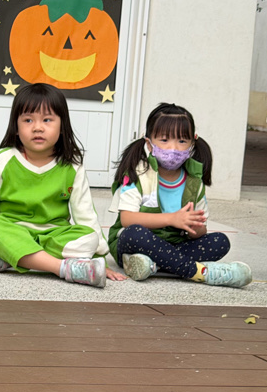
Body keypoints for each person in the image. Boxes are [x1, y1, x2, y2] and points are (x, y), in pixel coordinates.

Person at [0, 83, 124, 288]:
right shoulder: (3, 159)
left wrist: (99, 258)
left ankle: (5, 258)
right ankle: (61, 267)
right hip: (12, 230)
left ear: (62, 126)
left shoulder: (72, 166)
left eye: (47, 120)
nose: (37, 127)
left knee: (89, 237)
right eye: (28, 120)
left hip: (53, 235)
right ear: (16, 127)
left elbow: (85, 214)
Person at [107, 103, 252, 287]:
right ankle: (199, 272)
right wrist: (172, 219)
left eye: (182, 141)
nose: (173, 148)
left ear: (193, 142)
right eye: (164, 140)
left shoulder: (194, 180)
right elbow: (127, 219)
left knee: (220, 242)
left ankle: (152, 265)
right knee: (134, 234)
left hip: (175, 245)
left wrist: (195, 229)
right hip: (138, 242)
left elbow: (200, 230)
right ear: (149, 143)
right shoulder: (138, 173)